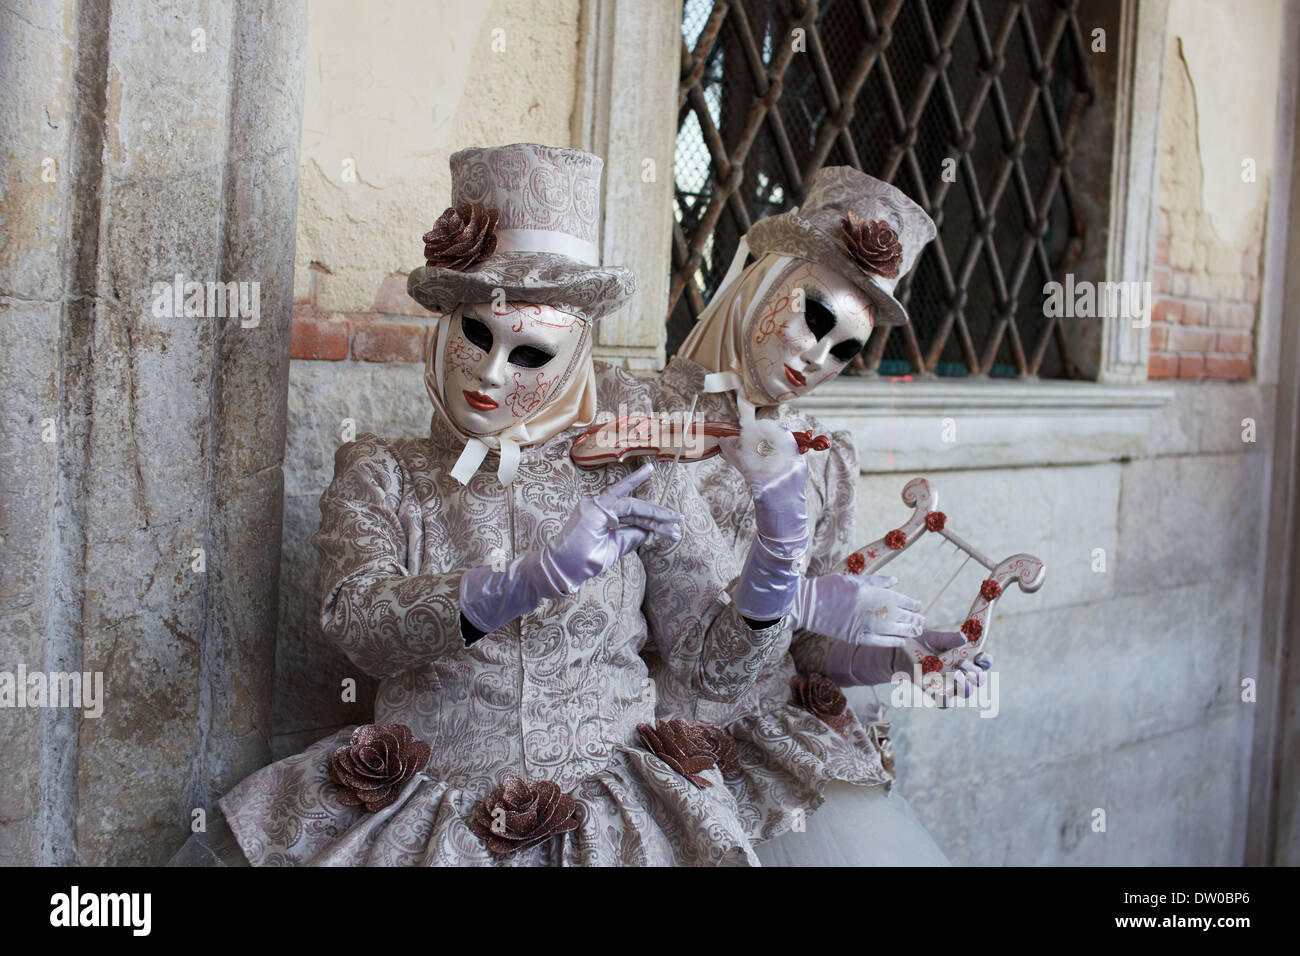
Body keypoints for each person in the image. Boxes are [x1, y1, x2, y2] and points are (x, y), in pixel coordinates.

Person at [214, 143, 802, 866]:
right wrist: (532, 577)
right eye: (477, 336)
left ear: (576, 356)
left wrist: (781, 531)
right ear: (442, 331)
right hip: (428, 827)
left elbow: (713, 666)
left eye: (530, 353)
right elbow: (361, 625)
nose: (493, 372)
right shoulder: (382, 471)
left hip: (609, 825)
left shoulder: (631, 468)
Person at [645, 166, 990, 865]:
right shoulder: (642, 422)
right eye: (815, 316)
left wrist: (903, 654)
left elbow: (806, 648)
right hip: (663, 748)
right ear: (767, 281)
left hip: (779, 751)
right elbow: (660, 630)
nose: (818, 356)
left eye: (846, 349)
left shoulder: (824, 458)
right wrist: (806, 596)